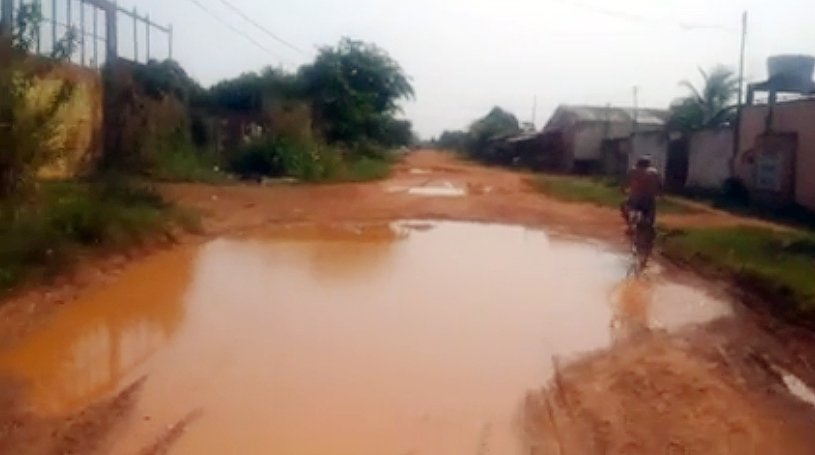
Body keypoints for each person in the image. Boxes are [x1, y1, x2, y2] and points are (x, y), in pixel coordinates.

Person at [620, 155, 662, 236]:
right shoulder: (654, 172)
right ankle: (651, 227)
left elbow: (626, 182)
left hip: (635, 199)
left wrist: (623, 190)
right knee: (651, 214)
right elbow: (659, 185)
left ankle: (629, 226)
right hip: (649, 199)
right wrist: (659, 194)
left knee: (624, 206)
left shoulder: (633, 171)